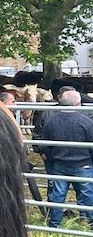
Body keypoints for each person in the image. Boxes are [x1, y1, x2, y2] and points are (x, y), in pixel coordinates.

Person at [35, 88, 93, 229]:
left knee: (58, 195)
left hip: (59, 164)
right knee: (88, 193)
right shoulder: (86, 121)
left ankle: (54, 224)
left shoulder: (51, 121)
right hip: (82, 164)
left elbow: (45, 142)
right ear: (78, 103)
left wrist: (52, 156)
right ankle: (91, 222)